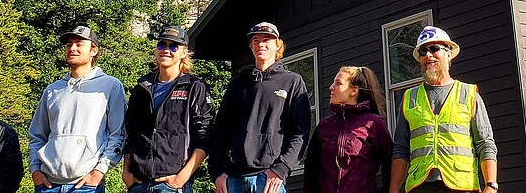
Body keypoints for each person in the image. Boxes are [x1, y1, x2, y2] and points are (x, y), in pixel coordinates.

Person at [388, 26, 498, 193]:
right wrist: (394, 188)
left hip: (462, 186)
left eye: (434, 49)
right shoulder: (409, 98)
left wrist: (490, 185)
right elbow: (401, 149)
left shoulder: (468, 94)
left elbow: (485, 143)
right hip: (420, 187)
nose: (428, 55)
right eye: (423, 52)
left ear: (449, 55)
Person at [209, 22, 311, 193]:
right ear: (251, 46)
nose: (260, 45)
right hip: (234, 179)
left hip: (269, 178)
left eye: (266, 40)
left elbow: (301, 132)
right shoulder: (237, 84)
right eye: (255, 41)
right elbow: (220, 130)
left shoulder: (292, 81)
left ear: (277, 45)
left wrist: (281, 169)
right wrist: (217, 172)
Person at [28, 25, 127, 193]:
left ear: (94, 50)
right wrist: (35, 170)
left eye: (79, 44)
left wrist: (100, 171)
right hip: (47, 184)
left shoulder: (110, 86)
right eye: (69, 45)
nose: (72, 48)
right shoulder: (53, 90)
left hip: (86, 185)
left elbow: (119, 133)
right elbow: (37, 135)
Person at [123, 25, 214, 193]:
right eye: (161, 45)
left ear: (184, 53)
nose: (166, 50)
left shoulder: (194, 87)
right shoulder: (142, 88)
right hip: (138, 182)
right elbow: (131, 131)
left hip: (171, 184)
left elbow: (205, 136)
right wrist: (126, 173)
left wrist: (182, 178)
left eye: (173, 46)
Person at [303, 66, 393, 193]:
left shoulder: (373, 123)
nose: (331, 87)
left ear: (354, 90)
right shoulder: (324, 126)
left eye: (338, 83)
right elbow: (311, 171)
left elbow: (389, 165)